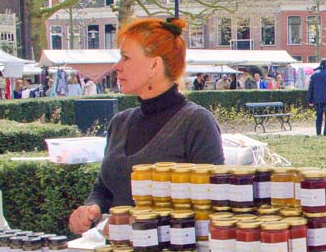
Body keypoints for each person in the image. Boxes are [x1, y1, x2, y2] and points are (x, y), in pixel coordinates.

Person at [68, 17, 224, 235]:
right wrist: (92, 209)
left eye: (126, 58)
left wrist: (137, 223)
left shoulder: (196, 123)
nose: (117, 67)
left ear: (154, 64)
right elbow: (104, 188)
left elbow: (211, 206)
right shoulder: (119, 122)